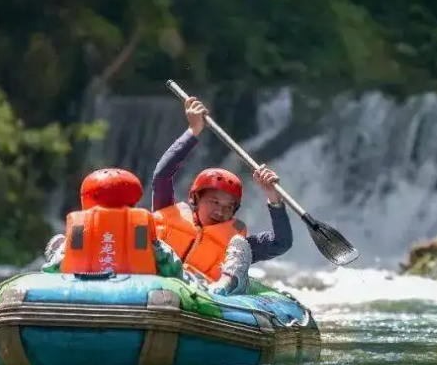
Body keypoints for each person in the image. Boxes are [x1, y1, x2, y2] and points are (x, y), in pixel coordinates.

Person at [151, 95, 294, 295]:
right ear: (196, 199)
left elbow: (281, 242)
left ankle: (224, 287)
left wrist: (273, 197)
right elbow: (162, 175)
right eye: (214, 201)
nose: (220, 210)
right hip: (156, 289)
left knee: (240, 244)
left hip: (207, 296)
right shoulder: (167, 211)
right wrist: (193, 130)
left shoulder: (233, 243)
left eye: (228, 207)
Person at [42, 168, 185, 278]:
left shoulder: (79, 230)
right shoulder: (140, 231)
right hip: (137, 297)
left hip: (81, 294)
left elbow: (52, 271)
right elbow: (174, 271)